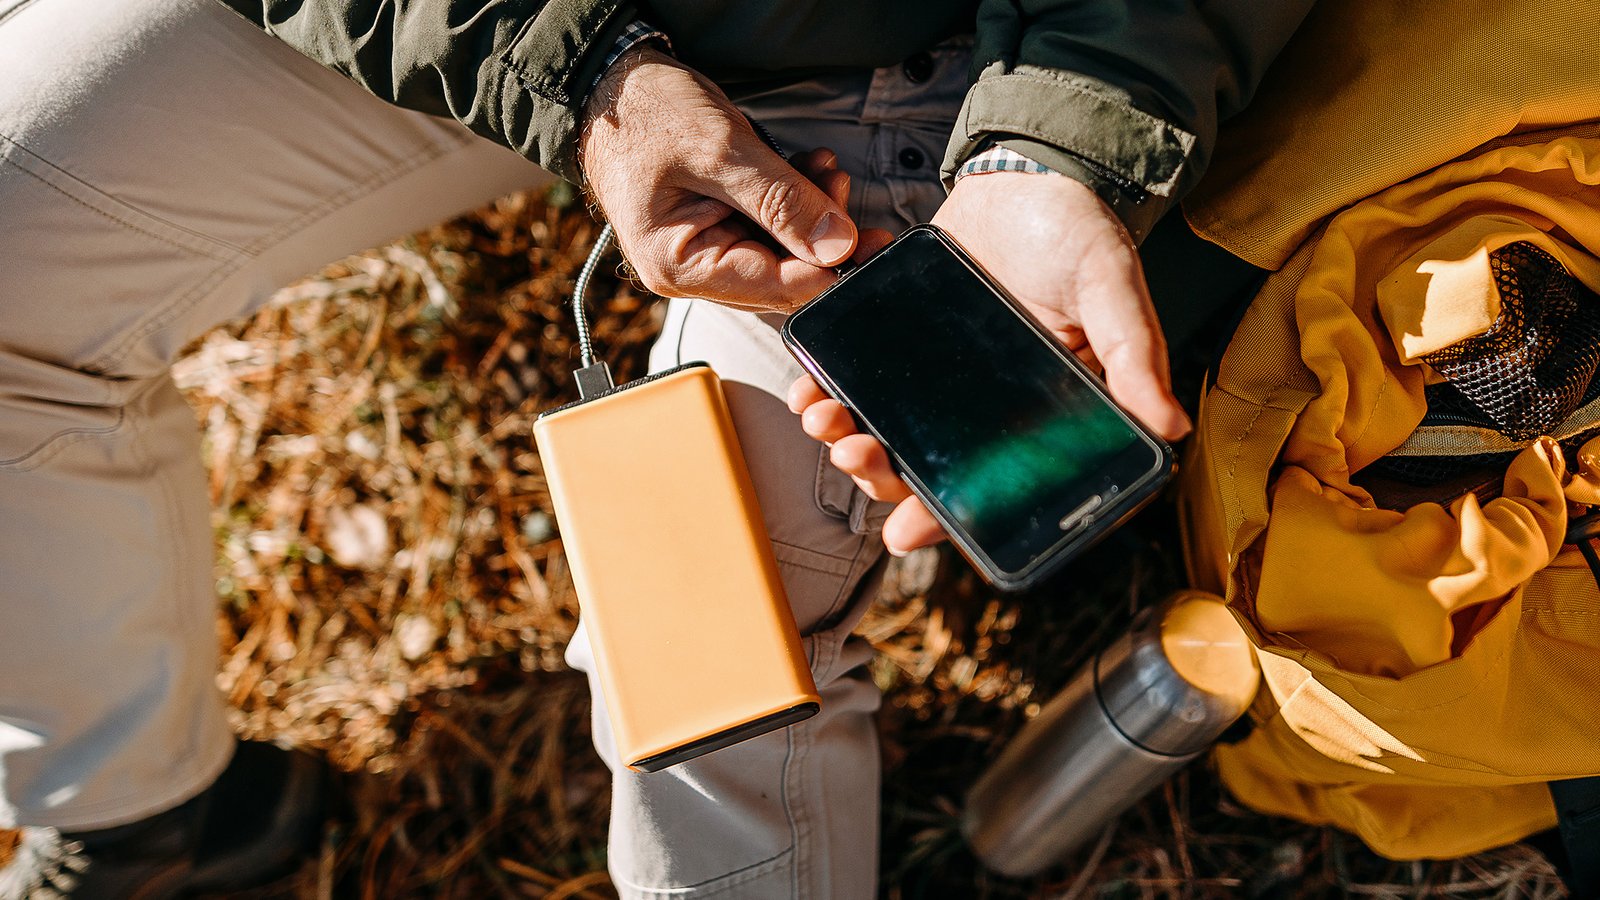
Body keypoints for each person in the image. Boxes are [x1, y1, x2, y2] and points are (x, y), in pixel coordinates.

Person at [0, 1, 1313, 896]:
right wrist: (582, 74)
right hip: (503, 26)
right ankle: (141, 815)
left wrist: (1063, 141)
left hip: (961, 59)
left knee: (706, 633)